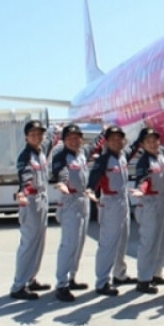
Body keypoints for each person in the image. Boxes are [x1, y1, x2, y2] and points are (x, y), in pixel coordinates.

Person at [51, 123, 104, 302]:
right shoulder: (61, 156)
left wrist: (104, 131)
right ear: (64, 140)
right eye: (70, 138)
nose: (74, 141)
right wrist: (62, 182)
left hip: (83, 200)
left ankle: (71, 277)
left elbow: (95, 144)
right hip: (69, 202)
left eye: (77, 138)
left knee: (80, 243)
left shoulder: (81, 154)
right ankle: (61, 284)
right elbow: (60, 173)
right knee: (69, 244)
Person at [86, 125, 139, 296]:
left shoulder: (122, 156)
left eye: (119, 138)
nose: (117, 141)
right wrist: (90, 189)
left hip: (123, 202)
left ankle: (119, 275)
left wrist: (143, 131)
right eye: (112, 139)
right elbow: (94, 176)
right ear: (106, 142)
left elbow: (134, 148)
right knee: (108, 244)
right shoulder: (103, 160)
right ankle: (102, 282)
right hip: (110, 204)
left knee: (122, 241)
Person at [9, 120, 59, 300]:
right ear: (26, 137)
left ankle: (30, 279)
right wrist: (23, 192)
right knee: (29, 244)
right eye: (33, 134)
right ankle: (18, 286)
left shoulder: (41, 151)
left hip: (42, 199)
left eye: (40, 133)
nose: (37, 137)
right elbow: (25, 177)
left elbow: (52, 139)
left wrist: (56, 130)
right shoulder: (25, 156)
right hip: (30, 201)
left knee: (39, 243)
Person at [130, 127, 164, 294]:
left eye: (155, 140)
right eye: (148, 141)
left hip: (161, 201)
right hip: (149, 203)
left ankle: (155, 274)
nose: (152, 143)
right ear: (142, 144)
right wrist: (141, 189)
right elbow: (143, 179)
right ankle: (143, 280)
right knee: (148, 243)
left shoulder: (160, 154)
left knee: (160, 240)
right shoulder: (144, 161)